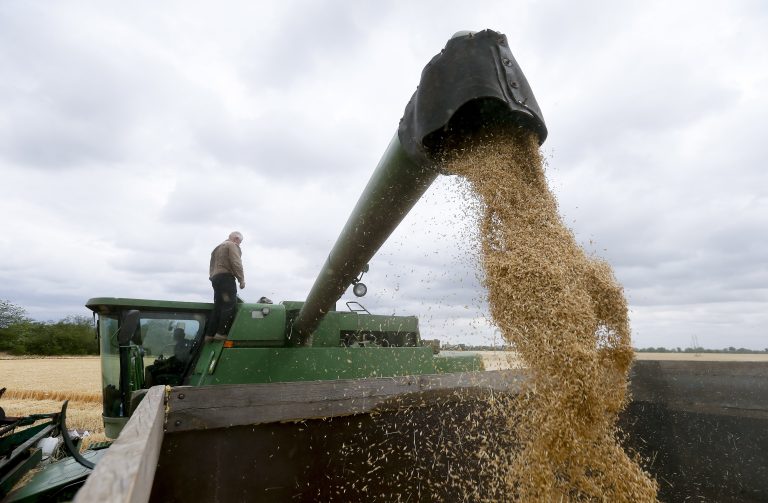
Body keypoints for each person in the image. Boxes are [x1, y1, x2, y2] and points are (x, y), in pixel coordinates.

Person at [205, 231, 245, 342]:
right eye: (240, 242)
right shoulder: (232, 245)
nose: (239, 244)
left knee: (218, 305)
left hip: (215, 278)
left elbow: (211, 265)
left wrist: (212, 277)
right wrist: (241, 280)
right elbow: (236, 262)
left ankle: (209, 335)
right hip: (226, 278)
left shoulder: (216, 248)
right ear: (236, 238)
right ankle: (221, 333)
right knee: (229, 304)